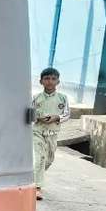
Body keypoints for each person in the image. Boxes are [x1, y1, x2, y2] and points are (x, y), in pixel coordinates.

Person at [32, 67, 70, 199]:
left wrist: (57, 117)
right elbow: (30, 114)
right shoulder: (36, 98)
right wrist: (38, 118)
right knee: (39, 158)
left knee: (49, 160)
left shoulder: (63, 98)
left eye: (53, 79)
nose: (50, 81)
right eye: (46, 78)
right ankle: (36, 188)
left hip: (53, 133)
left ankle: (34, 177)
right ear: (41, 81)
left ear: (58, 82)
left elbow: (67, 114)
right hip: (37, 132)